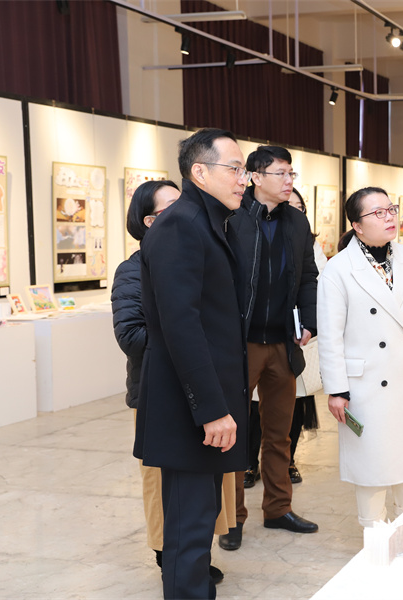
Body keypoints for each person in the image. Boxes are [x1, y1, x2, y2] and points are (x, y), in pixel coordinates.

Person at [134, 128, 250, 599]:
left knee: (199, 525)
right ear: (199, 172)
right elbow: (180, 326)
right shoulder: (180, 225)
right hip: (189, 410)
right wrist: (211, 409)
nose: (244, 179)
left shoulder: (211, 222)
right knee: (187, 531)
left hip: (204, 405)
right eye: (235, 168)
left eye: (245, 170)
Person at [112, 179, 233, 584]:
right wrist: (183, 341)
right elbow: (130, 334)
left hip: (205, 388)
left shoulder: (198, 258)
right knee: (163, 483)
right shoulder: (132, 270)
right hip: (158, 392)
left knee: (208, 483)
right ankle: (170, 555)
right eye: (170, 209)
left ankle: (195, 553)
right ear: (149, 222)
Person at [318, 187, 403, 526]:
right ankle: (374, 538)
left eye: (391, 209)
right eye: (378, 213)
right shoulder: (339, 269)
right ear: (357, 225)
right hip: (365, 384)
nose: (390, 217)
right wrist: (336, 389)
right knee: (372, 469)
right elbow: (330, 336)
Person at [219, 146, 319, 552]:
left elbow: (308, 276)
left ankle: (278, 508)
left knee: (279, 435)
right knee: (234, 435)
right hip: (240, 344)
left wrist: (309, 321)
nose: (289, 181)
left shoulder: (297, 221)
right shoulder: (232, 217)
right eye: (281, 173)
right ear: (256, 177)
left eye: (291, 173)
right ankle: (232, 518)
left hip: (282, 343)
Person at [286, 186, 327, 484]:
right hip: (267, 334)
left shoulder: (311, 246)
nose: (293, 210)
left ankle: (288, 460)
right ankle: (250, 462)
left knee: (297, 401)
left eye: (298, 207)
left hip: (302, 335)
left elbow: (320, 284)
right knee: (256, 404)